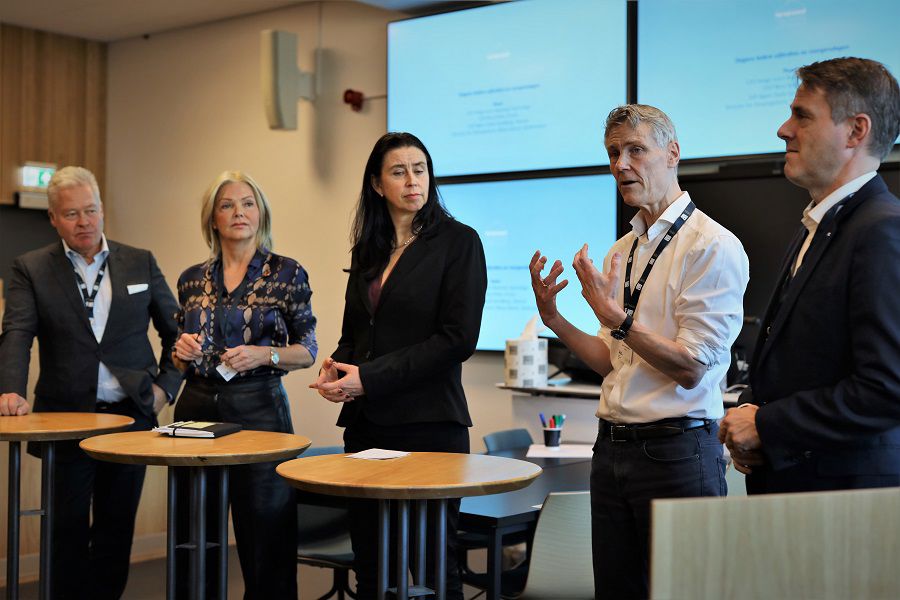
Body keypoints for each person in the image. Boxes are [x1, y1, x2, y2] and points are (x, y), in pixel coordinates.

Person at [530, 104, 749, 599]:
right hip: (611, 450)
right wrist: (554, 319)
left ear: (672, 154)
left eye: (635, 150)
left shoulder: (711, 246)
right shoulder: (621, 251)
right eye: (613, 153)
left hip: (677, 452)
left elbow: (692, 367)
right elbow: (611, 361)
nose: (621, 164)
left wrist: (619, 320)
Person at [310, 132, 487, 599]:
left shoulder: (459, 242)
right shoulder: (367, 250)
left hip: (431, 427)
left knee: (433, 570)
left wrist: (367, 379)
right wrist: (337, 370)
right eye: (399, 171)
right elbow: (355, 335)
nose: (412, 180)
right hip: (367, 429)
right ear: (377, 184)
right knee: (373, 568)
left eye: (419, 169)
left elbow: (457, 340)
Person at [720, 57, 900, 493]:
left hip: (844, 507)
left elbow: (887, 388)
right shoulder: (817, 225)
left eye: (802, 116)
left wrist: (767, 425)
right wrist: (750, 414)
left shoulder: (882, 230)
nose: (783, 130)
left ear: (856, 131)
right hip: (798, 493)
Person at [0, 166, 181, 599]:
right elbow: (17, 332)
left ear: (102, 210)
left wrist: (164, 389)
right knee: (65, 530)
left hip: (131, 416)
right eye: (71, 214)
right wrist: (11, 389)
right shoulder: (31, 267)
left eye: (91, 210)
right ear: (53, 219)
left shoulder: (139, 260)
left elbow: (177, 333)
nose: (84, 222)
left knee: (116, 530)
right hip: (65, 420)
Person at [172, 170, 317, 599]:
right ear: (213, 219)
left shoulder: (287, 273)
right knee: (193, 530)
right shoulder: (191, 279)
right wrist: (182, 351)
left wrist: (264, 355)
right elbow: (178, 359)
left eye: (248, 203)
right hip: (196, 408)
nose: (239, 212)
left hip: (260, 411)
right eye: (227, 205)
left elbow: (308, 350)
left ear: (261, 213)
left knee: (265, 533)